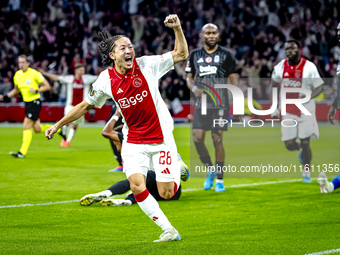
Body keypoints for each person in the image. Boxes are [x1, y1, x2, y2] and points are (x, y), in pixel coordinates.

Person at [45, 14, 189, 242]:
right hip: (133, 140)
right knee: (136, 184)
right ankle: (169, 230)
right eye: (123, 47)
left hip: (161, 139)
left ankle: (177, 162)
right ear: (112, 55)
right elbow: (84, 105)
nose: (129, 49)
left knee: (167, 193)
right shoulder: (105, 79)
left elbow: (181, 54)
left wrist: (178, 28)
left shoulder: (147, 65)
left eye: (130, 46)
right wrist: (58, 125)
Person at [185, 23, 238, 192]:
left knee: (217, 139)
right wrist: (194, 89)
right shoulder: (194, 55)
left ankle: (220, 180)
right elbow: (189, 78)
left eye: (214, 32)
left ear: (218, 34)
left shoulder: (226, 55)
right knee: (197, 139)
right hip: (202, 105)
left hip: (220, 103)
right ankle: (210, 169)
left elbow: (233, 79)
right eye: (208, 33)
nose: (211, 35)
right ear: (202, 36)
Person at [271, 40, 324, 182]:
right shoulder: (280, 66)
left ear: (299, 49)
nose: (289, 51)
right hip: (287, 110)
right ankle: (300, 149)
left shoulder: (309, 67)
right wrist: (275, 105)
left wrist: (309, 96)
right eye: (287, 48)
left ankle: (306, 171)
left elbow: (319, 86)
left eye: (292, 48)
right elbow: (274, 84)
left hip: (305, 110)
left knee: (306, 141)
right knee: (289, 144)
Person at [0, 55, 66, 158]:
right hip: (27, 103)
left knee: (26, 126)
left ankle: (22, 152)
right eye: (19, 62)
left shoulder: (34, 74)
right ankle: (58, 129)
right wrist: (4, 97)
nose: (20, 64)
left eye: (22, 62)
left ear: (28, 63)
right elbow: (16, 90)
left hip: (35, 102)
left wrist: (36, 90)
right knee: (37, 129)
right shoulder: (17, 75)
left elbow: (47, 86)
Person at [39, 63, 98, 147]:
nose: (83, 71)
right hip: (70, 105)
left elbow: (99, 77)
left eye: (83, 70)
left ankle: (67, 140)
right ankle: (64, 136)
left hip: (82, 106)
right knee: (67, 121)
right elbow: (57, 78)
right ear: (76, 70)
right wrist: (45, 74)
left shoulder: (86, 78)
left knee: (75, 125)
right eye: (81, 70)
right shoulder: (70, 79)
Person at [80, 170, 182, 207]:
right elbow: (184, 173)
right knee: (143, 193)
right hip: (173, 193)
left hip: (161, 179)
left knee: (133, 182)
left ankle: (106, 193)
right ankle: (127, 201)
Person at [106, 104, 124, 172]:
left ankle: (123, 164)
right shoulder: (115, 103)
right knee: (115, 144)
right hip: (114, 129)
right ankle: (121, 164)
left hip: (120, 129)